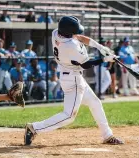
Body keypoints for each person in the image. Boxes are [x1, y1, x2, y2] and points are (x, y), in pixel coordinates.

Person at [24, 16, 124, 145]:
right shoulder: (69, 46)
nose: (76, 33)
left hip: (71, 76)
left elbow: (79, 37)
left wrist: (100, 47)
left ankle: (107, 135)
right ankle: (34, 128)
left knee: (95, 102)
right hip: (74, 80)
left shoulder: (56, 33)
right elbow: (86, 64)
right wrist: (105, 59)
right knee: (69, 115)